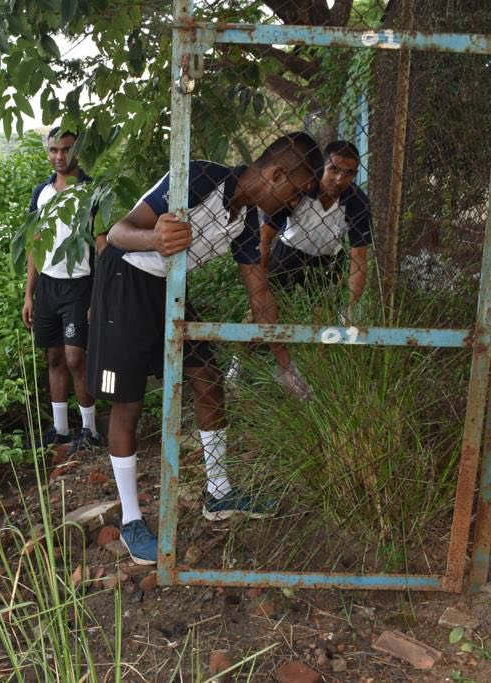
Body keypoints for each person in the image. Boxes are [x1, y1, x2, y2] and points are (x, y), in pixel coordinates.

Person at [86, 133, 323, 565]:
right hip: (126, 278)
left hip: (169, 288)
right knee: (128, 403)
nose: (296, 203)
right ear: (276, 173)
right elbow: (119, 232)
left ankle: (219, 493)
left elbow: (260, 297)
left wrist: (286, 367)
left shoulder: (249, 220)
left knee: (208, 378)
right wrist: (154, 240)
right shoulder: (200, 177)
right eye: (297, 192)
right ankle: (132, 519)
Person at [22, 127, 106, 454]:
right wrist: (29, 294)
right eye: (54, 150)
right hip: (47, 286)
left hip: (79, 285)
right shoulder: (41, 193)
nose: (60, 157)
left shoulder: (91, 191)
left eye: (66, 150)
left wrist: (97, 297)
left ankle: (91, 430)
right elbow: (34, 243)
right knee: (54, 356)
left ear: (78, 151)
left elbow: (102, 248)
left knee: (75, 357)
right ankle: (59, 430)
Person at [261, 140, 371, 308]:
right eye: (334, 169)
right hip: (288, 251)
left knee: (324, 321)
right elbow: (265, 235)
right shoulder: (298, 188)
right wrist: (260, 280)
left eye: (348, 173)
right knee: (265, 309)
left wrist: (351, 308)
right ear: (321, 166)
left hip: (327, 260)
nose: (340, 179)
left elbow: (359, 258)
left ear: (355, 174)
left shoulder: (357, 202)